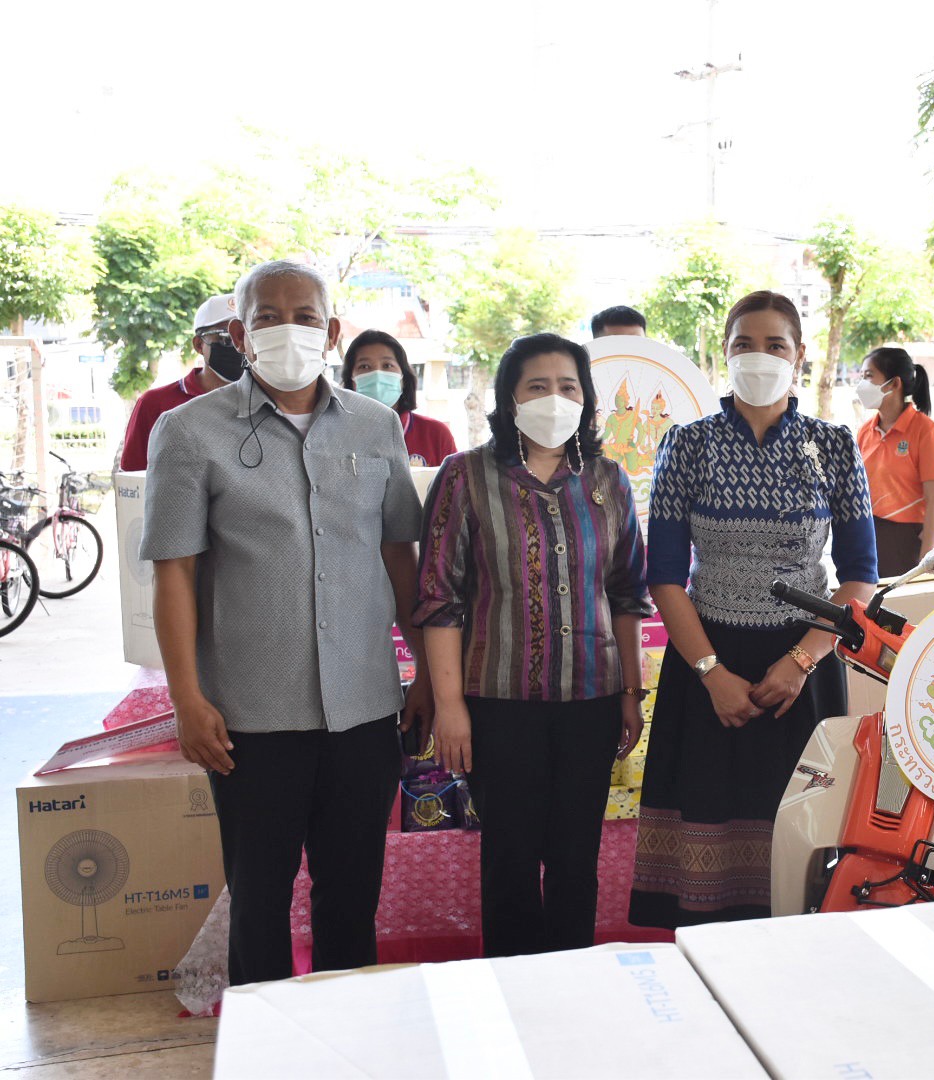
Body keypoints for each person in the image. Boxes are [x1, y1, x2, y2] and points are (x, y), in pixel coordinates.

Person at [142, 260, 429, 986]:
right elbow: (174, 575)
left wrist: (426, 671)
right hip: (250, 718)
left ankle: (347, 1028)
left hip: (364, 708)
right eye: (266, 317)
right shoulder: (188, 431)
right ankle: (263, 1037)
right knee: (259, 900)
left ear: (330, 332)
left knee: (351, 897)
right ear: (239, 334)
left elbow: (400, 556)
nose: (286, 329)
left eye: (304, 316)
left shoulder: (375, 426)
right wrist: (186, 699)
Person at [630, 290, 878, 927]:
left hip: (804, 665)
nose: (758, 357)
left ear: (799, 357)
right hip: (706, 662)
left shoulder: (833, 446)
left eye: (775, 345)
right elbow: (665, 577)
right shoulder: (687, 445)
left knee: (800, 844)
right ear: (725, 353)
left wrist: (799, 662)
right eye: (744, 344)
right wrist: (711, 673)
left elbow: (859, 577)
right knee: (705, 855)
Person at [415, 333, 651, 956]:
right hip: (499, 705)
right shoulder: (466, 476)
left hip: (591, 702)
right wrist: (449, 707)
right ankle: (514, 986)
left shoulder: (608, 480)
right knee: (510, 862)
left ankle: (570, 984)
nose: (555, 399)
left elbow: (628, 594)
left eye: (569, 387)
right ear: (509, 399)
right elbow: (439, 599)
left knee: (576, 862)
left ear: (587, 398)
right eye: (537, 387)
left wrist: (631, 693)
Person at [119, 294, 245, 471]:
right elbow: (134, 476)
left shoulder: (268, 402)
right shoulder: (155, 404)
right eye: (226, 338)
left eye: (245, 336)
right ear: (199, 345)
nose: (238, 346)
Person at [854, 347, 934, 576]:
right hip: (867, 533)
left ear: (894, 383)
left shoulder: (925, 431)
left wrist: (927, 560)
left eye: (869, 376)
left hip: (906, 540)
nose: (862, 384)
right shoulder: (865, 431)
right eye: (862, 376)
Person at [340, 329, 457, 466]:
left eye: (387, 365)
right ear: (351, 380)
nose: (377, 374)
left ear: (403, 378)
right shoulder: (336, 437)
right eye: (364, 366)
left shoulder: (436, 434)